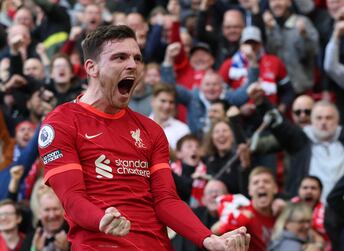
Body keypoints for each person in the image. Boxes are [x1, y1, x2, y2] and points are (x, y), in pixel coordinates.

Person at [38, 24, 250, 251]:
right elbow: (72, 199)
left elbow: (166, 200)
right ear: (92, 68)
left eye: (137, 59)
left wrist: (209, 239)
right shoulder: (61, 122)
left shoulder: (151, 130)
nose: (132, 65)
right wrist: (101, 219)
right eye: (120, 58)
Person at [212, 167, 278, 251]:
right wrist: (238, 218)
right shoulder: (242, 211)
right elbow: (215, 231)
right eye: (256, 182)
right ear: (249, 190)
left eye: (266, 181)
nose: (261, 185)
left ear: (275, 188)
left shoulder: (282, 212)